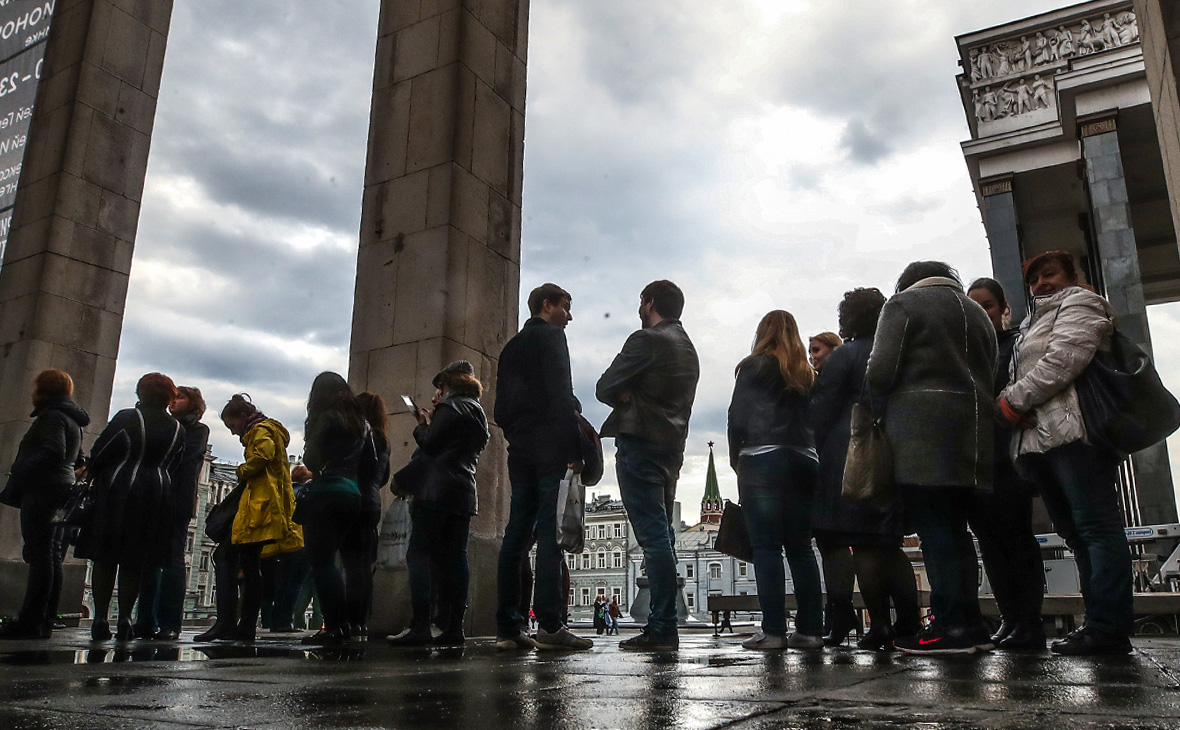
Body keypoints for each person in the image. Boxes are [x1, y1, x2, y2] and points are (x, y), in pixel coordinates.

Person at [998, 251, 1133, 656]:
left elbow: (1063, 360)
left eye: (1050, 274)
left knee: (1097, 530)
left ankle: (1109, 628)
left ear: (1074, 276)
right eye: (1034, 279)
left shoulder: (1082, 303)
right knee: (1077, 535)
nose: (1041, 284)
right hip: (1044, 440)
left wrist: (1009, 402)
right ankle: (1096, 625)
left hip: (1077, 437)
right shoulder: (1031, 322)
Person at [865, 262, 998, 656]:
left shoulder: (903, 305)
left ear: (906, 282)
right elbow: (990, 370)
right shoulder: (977, 313)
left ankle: (949, 626)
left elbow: (879, 371)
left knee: (935, 527)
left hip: (922, 432)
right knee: (958, 531)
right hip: (973, 432)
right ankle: (972, 625)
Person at [811, 288, 920, 651]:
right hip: (895, 449)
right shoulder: (895, 351)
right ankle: (910, 623)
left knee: (865, 545)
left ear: (848, 319)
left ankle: (880, 627)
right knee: (891, 544)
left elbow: (822, 411)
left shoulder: (845, 355)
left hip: (852, 455)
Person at [597, 280, 700, 650]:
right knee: (665, 537)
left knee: (653, 538)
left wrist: (626, 390)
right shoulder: (688, 348)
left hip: (640, 443)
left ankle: (661, 627)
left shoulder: (646, 340)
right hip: (672, 450)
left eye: (641, 303)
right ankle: (665, 621)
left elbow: (604, 385)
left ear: (649, 302)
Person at [494, 283, 592, 651]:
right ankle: (550, 626)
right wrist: (573, 449)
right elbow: (560, 394)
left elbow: (499, 411)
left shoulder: (510, 348)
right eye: (566, 307)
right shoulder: (552, 340)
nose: (569, 315)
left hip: (519, 451)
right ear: (547, 305)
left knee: (516, 535)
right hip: (552, 449)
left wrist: (519, 433)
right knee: (551, 537)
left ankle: (508, 628)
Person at [727, 310, 824, 651]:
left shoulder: (752, 367)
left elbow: (737, 417)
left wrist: (736, 460)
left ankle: (772, 632)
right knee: (800, 547)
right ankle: (811, 631)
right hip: (804, 460)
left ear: (762, 333)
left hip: (762, 459)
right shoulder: (807, 373)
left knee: (767, 547)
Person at [966, 278, 1046, 651]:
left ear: (1002, 309)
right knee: (991, 543)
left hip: (1009, 457)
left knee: (1016, 540)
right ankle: (1010, 618)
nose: (983, 312)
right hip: (977, 460)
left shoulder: (1014, 345)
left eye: (989, 305)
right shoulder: (965, 353)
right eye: (975, 306)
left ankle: (1029, 621)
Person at [77, 373, 185, 642]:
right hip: (158, 494)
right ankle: (125, 618)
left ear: (141, 393)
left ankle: (101, 617)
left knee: (106, 554)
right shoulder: (177, 429)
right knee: (135, 560)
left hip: (120, 490)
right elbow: (175, 464)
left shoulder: (127, 418)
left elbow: (101, 452)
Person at [389, 361, 489, 647]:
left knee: (419, 555)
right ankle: (454, 627)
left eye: (440, 387)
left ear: (449, 385)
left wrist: (422, 426)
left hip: (436, 491)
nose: (438, 392)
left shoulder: (451, 407)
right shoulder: (477, 411)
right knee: (456, 559)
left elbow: (431, 444)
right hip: (463, 492)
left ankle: (420, 625)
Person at [200, 394, 301, 643]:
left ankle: (225, 623)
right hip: (269, 506)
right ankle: (245, 626)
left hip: (259, 507)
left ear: (243, 417)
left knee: (223, 556)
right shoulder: (271, 429)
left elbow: (262, 456)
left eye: (232, 426)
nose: (234, 433)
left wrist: (242, 471)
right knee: (250, 565)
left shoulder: (260, 430)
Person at [0, 370, 89, 640]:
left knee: (41, 556)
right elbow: (78, 459)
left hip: (43, 491)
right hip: (60, 489)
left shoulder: (51, 416)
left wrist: (20, 468)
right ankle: (45, 619)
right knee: (51, 557)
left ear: (44, 389)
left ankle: (31, 621)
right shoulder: (72, 420)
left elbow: (53, 450)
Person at [134, 386, 210, 641]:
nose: (173, 401)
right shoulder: (166, 424)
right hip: (154, 496)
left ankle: (169, 623)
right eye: (173, 396)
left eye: (180, 397)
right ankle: (144, 621)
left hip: (176, 498)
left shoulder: (198, 430)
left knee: (173, 559)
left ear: (193, 404)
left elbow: (181, 458)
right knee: (150, 561)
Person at [299, 372, 369, 645]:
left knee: (323, 562)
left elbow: (312, 458)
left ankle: (334, 626)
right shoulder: (359, 421)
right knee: (349, 564)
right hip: (352, 491)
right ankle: (348, 623)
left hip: (327, 490)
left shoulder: (325, 416)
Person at [342, 392, 391, 640]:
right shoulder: (383, 440)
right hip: (372, 502)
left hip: (354, 498)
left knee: (351, 566)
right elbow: (384, 477)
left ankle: (349, 621)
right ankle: (360, 621)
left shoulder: (358, 435)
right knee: (363, 566)